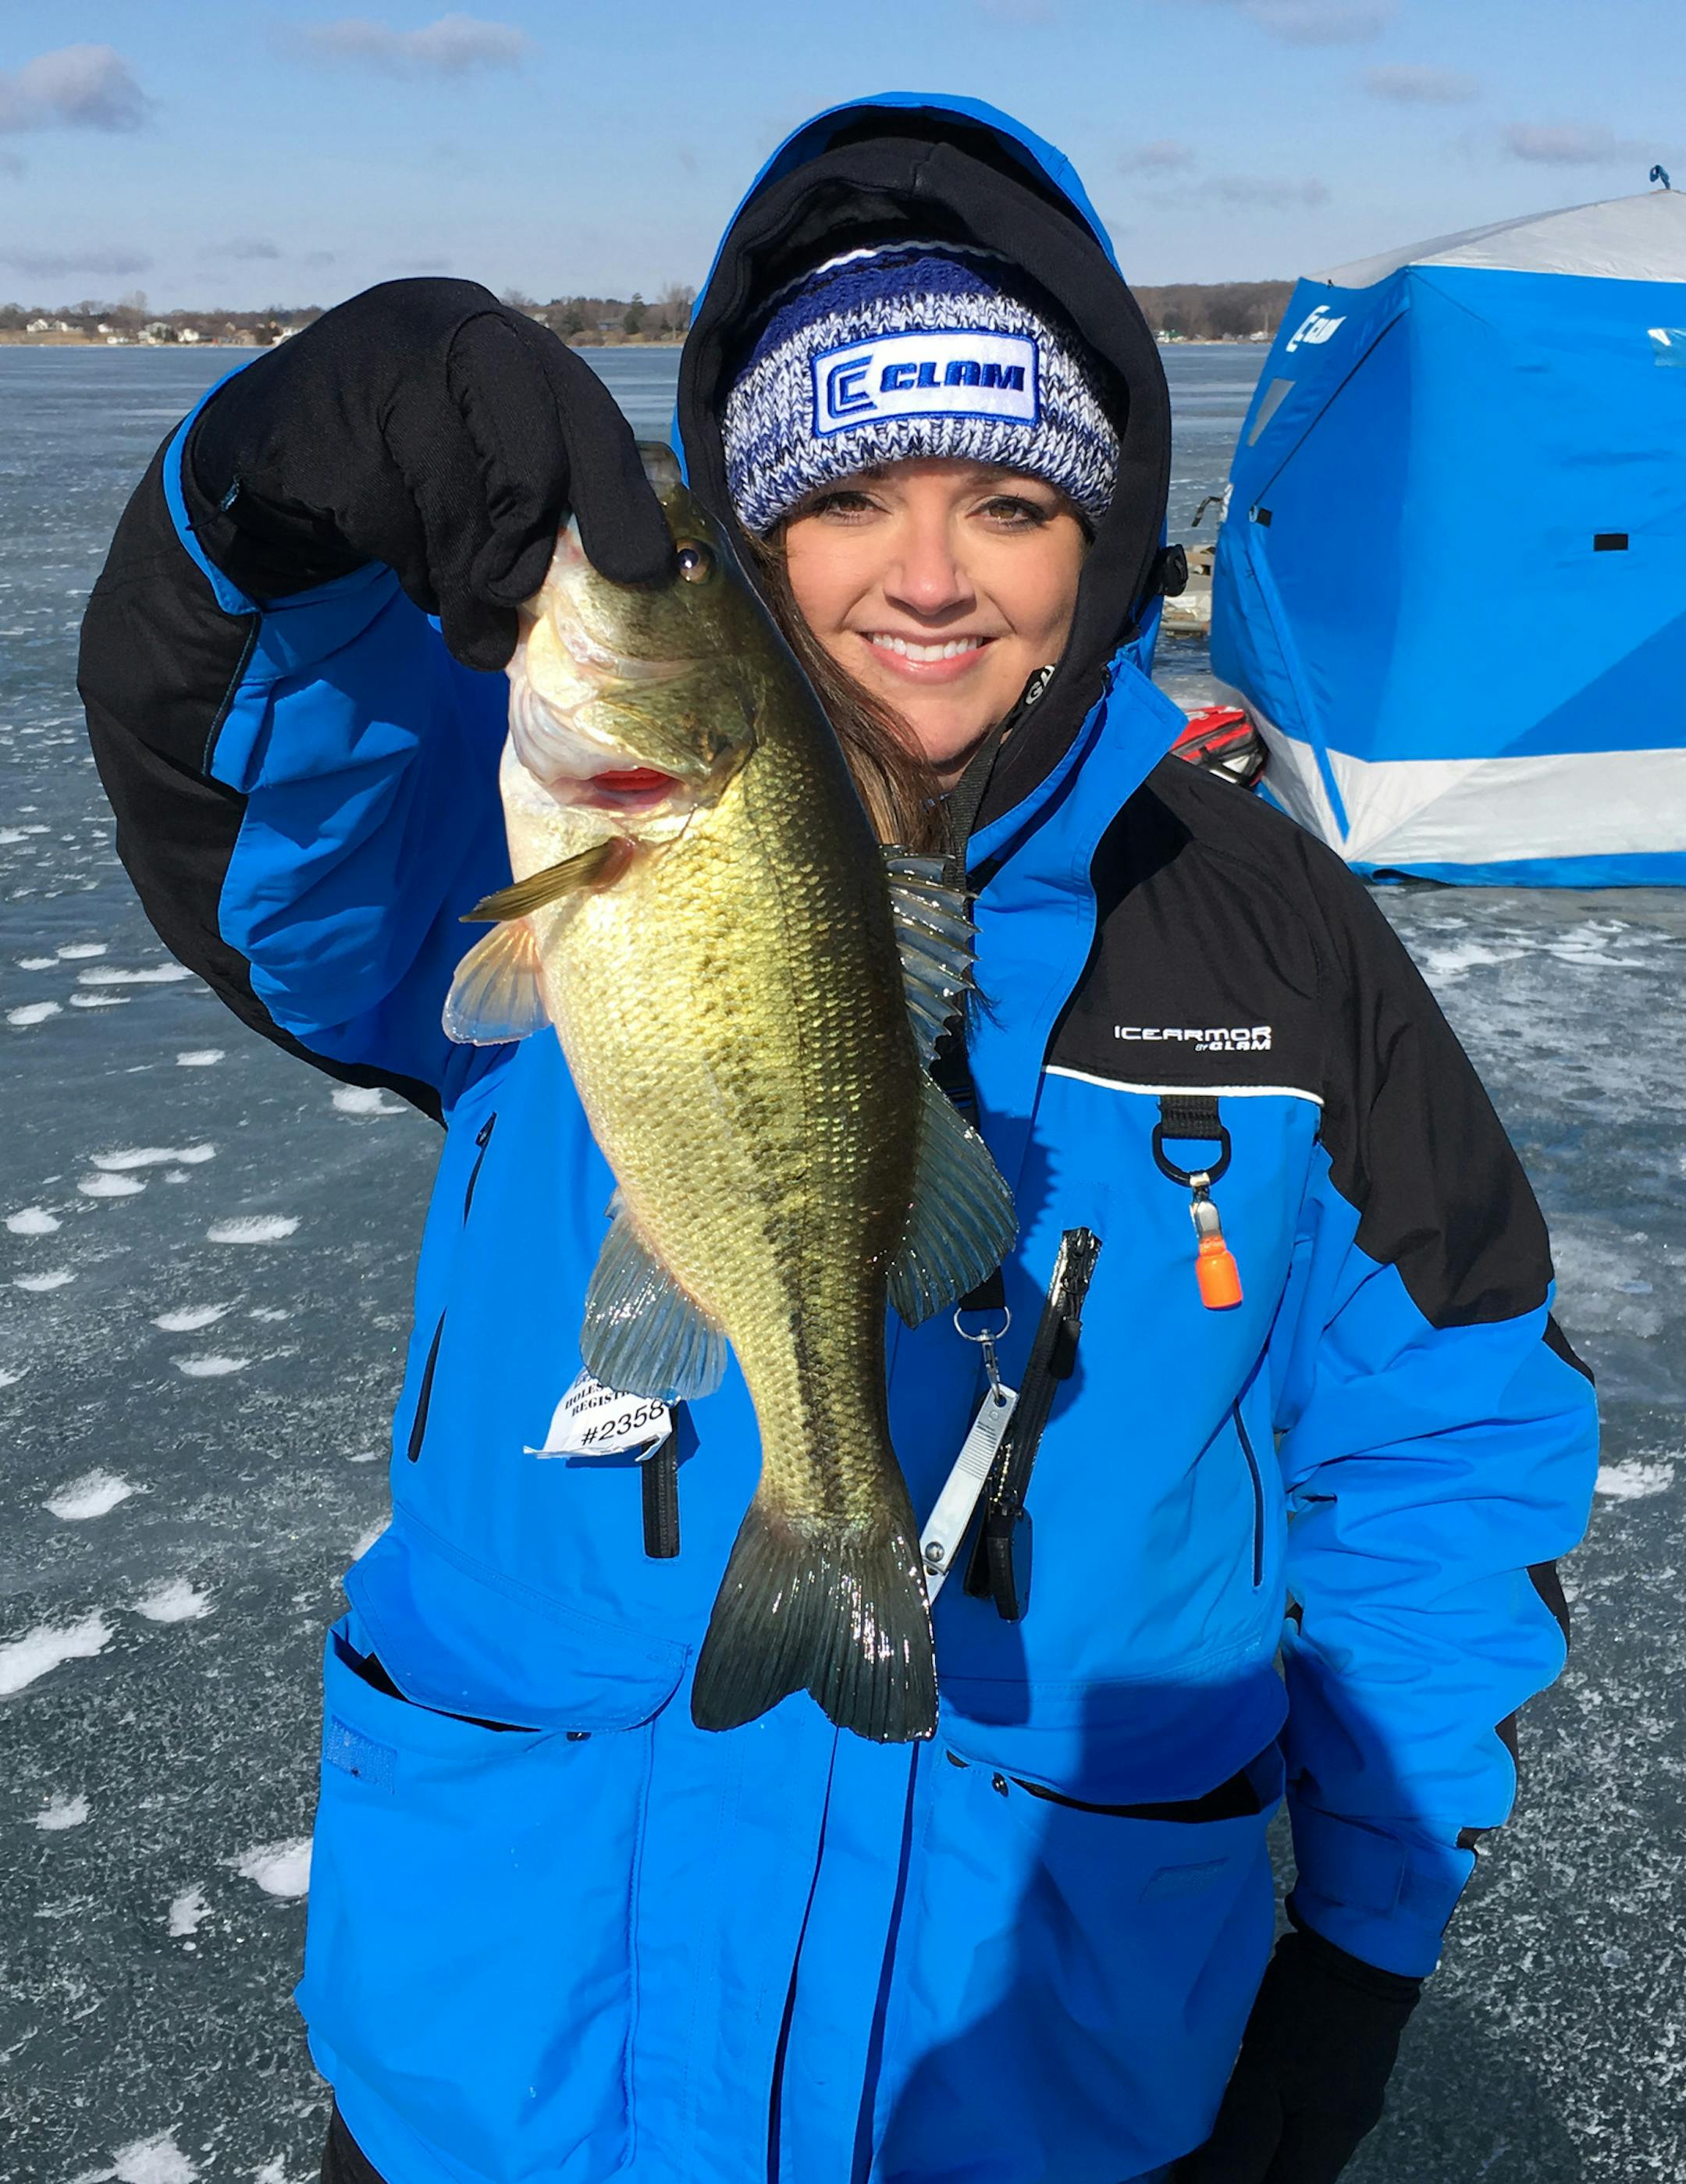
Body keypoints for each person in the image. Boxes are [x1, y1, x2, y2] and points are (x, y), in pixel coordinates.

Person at [80, 94, 1598, 2184]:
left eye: (1011, 501)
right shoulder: (509, 831)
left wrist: (1351, 1965)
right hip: (522, 2057)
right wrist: (260, 499)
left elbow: (1443, 1446)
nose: (929, 576)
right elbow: (266, 822)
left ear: (1108, 526)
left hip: (1032, 2063)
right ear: (755, 531)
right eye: (849, 490)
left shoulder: (1278, 939)